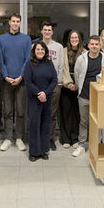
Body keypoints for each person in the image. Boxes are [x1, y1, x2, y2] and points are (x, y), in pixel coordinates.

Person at [0, 13, 32, 152]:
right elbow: (1, 60)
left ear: (20, 23)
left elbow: (27, 59)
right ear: (9, 22)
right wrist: (6, 76)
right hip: (6, 81)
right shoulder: (1, 39)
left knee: (21, 111)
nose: (15, 23)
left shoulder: (26, 39)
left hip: (21, 81)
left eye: (18, 21)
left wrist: (21, 76)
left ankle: (19, 138)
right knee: (7, 111)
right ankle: (8, 138)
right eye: (13, 21)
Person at [73, 35, 104, 157]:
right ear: (88, 45)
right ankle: (82, 145)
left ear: (99, 46)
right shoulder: (81, 59)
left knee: (101, 121)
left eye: (96, 44)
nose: (94, 46)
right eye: (92, 44)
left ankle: (101, 144)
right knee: (84, 121)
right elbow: (77, 74)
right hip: (84, 95)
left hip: (99, 97)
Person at [24, 41, 57, 161]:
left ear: (45, 51)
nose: (40, 51)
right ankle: (33, 152)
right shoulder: (29, 64)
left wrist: (45, 93)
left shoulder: (49, 63)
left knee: (45, 125)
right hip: (34, 100)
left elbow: (54, 79)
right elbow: (28, 82)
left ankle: (44, 150)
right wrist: (39, 93)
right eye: (38, 49)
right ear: (34, 51)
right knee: (34, 125)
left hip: (47, 99)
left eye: (42, 49)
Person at [39, 21, 64, 151]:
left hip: (54, 86)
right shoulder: (36, 46)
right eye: (45, 30)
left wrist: (58, 84)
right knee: (39, 113)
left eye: (49, 30)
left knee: (52, 114)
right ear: (41, 31)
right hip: (39, 87)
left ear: (52, 32)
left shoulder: (58, 47)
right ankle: (39, 137)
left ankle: (50, 138)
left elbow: (60, 66)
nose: (47, 32)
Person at [60, 30, 85, 149]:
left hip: (80, 88)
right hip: (66, 86)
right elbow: (63, 69)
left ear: (79, 39)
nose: (74, 39)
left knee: (77, 114)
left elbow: (85, 71)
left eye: (76, 37)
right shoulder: (63, 51)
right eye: (72, 38)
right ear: (69, 39)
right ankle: (65, 139)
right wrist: (69, 84)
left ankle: (75, 139)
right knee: (65, 113)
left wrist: (77, 85)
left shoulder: (85, 52)